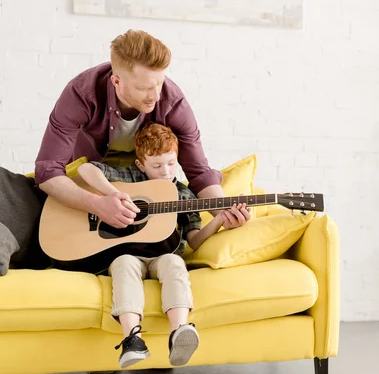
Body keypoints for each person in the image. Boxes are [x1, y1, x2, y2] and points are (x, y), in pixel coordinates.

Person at [34, 29, 250, 231]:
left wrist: (223, 214)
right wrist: (98, 204)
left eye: (159, 84)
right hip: (92, 188)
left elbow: (199, 172)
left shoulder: (172, 101)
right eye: (144, 88)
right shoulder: (81, 94)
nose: (156, 96)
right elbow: (48, 171)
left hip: (143, 196)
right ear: (116, 81)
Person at [77, 122, 245, 369]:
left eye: (170, 163)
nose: (165, 171)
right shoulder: (133, 179)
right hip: (126, 252)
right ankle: (132, 339)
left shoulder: (183, 195)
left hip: (164, 254)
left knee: (175, 263)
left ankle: (180, 331)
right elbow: (86, 170)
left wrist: (219, 220)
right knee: (123, 265)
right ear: (140, 165)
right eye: (156, 166)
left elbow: (195, 240)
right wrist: (114, 195)